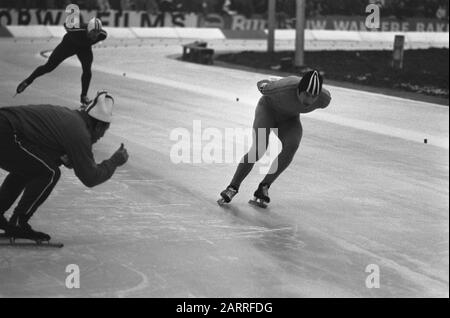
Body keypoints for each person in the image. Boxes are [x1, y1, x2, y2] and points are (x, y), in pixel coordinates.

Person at [0, 91, 129, 241]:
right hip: (6, 131)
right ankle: (19, 222)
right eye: (103, 132)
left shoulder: (72, 119)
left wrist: (59, 158)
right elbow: (90, 178)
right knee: (49, 173)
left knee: (32, 167)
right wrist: (113, 162)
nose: (100, 137)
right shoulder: (79, 133)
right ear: (99, 125)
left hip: (6, 127)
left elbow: (38, 144)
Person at [219, 70, 332, 207]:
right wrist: (271, 84)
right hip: (268, 110)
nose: (309, 100)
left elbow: (317, 97)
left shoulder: (324, 99)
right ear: (299, 90)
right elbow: (261, 83)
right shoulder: (284, 88)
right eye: (307, 94)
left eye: (314, 96)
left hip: (290, 119)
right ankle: (233, 187)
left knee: (292, 145)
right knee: (259, 149)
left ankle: (264, 186)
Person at [15, 18, 108, 107]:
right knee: (48, 67)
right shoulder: (77, 29)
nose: (94, 36)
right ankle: (28, 81)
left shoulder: (102, 35)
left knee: (87, 70)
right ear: (88, 29)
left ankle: (83, 96)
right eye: (93, 33)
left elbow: (99, 34)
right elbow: (66, 24)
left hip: (84, 49)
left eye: (97, 34)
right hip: (68, 46)